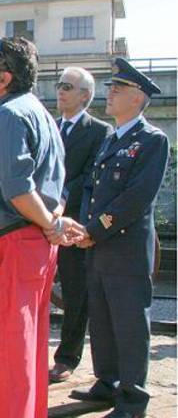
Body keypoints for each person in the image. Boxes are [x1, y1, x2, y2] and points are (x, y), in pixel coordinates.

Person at [0, 37, 78, 417]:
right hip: (33, 245)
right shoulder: (43, 115)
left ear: (5, 77)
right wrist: (53, 223)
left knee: (9, 355)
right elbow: (59, 185)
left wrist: (49, 224)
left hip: (9, 247)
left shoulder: (10, 116)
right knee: (28, 348)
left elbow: (18, 189)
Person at [67, 58, 169, 418]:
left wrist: (92, 231)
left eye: (118, 88)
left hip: (125, 250)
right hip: (97, 248)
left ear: (138, 97)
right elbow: (91, 190)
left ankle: (132, 398)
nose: (109, 93)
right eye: (110, 87)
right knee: (102, 319)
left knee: (128, 324)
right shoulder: (112, 139)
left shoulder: (152, 140)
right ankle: (107, 382)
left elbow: (137, 198)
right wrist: (81, 229)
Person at [49, 67, 113, 383]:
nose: (60, 90)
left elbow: (89, 180)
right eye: (59, 85)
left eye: (67, 86)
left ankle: (66, 357)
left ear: (85, 95)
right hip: (39, 222)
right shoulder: (48, 127)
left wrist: (55, 206)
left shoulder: (100, 132)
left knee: (75, 294)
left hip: (72, 224)